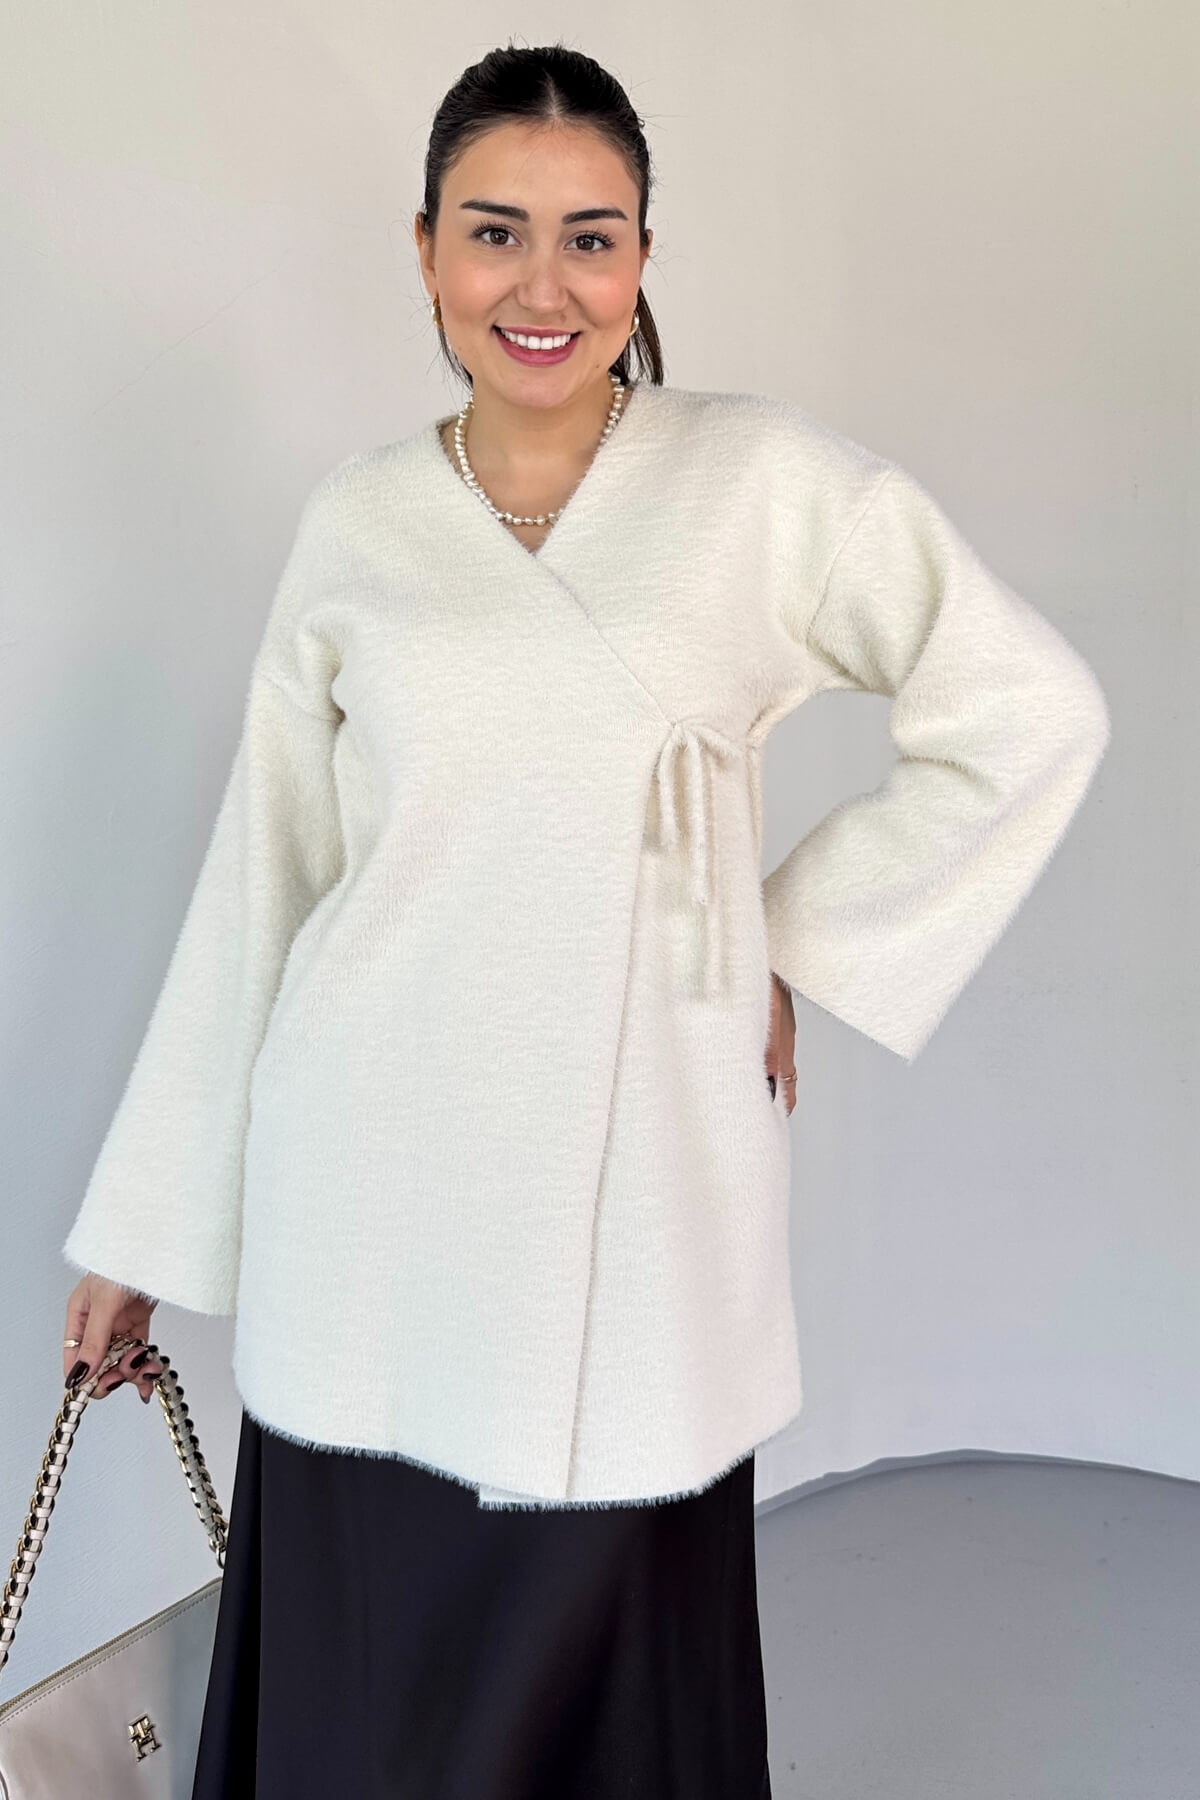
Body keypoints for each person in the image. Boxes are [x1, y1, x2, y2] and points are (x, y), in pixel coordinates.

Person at [59, 41, 1110, 1800]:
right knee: (375, 1710)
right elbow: (269, 884)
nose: (541, 288)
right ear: (424, 253)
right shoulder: (360, 524)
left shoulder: (763, 486)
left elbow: (1025, 712)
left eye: (591, 238)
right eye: (495, 233)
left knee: (602, 1713)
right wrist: (145, 1234)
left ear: (642, 259)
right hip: (370, 1215)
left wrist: (798, 940)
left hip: (637, 1231)